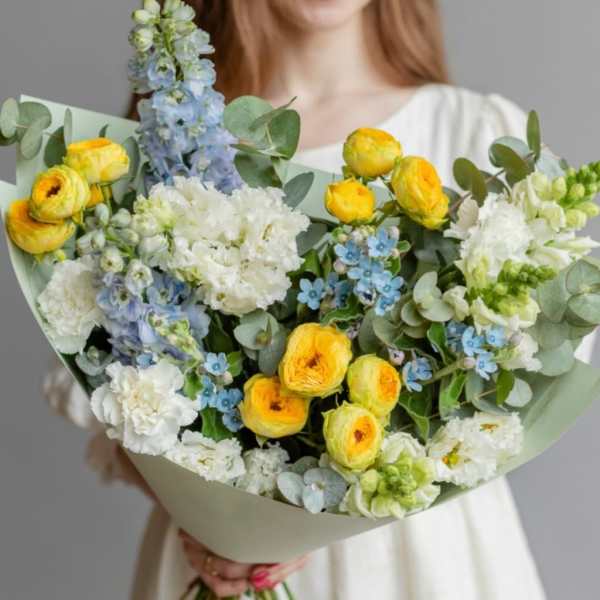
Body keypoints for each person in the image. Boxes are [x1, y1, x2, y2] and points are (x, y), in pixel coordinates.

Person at [44, 0, 597, 598]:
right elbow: (112, 388)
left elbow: (536, 370)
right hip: (215, 566)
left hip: (422, 562)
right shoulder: (169, 144)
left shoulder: (473, 131)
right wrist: (213, 524)